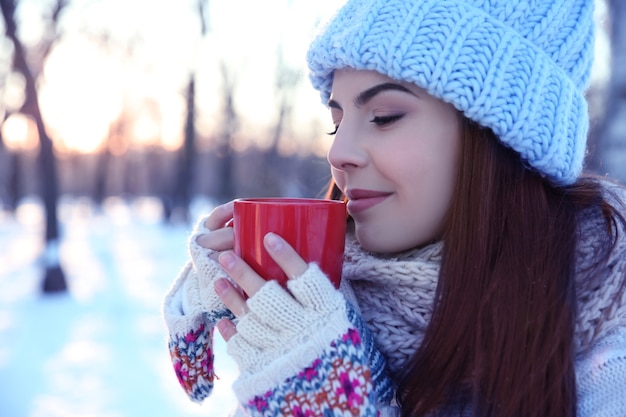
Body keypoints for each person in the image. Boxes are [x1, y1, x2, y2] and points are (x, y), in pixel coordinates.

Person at [162, 0, 626, 415]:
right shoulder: (326, 310)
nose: (337, 153)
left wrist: (339, 405)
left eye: (384, 117)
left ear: (502, 139)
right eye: (336, 122)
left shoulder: (610, 343)